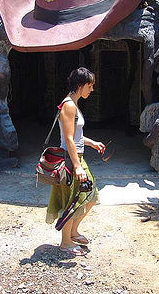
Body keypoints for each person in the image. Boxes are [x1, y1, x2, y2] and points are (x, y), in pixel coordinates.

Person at [46, 67, 105, 256]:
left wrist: (92, 143)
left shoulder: (74, 104)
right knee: (72, 200)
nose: (92, 89)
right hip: (71, 160)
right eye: (90, 85)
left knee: (90, 196)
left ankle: (72, 232)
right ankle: (65, 242)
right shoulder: (69, 105)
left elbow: (76, 136)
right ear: (81, 85)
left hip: (76, 157)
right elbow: (69, 139)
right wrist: (77, 166)